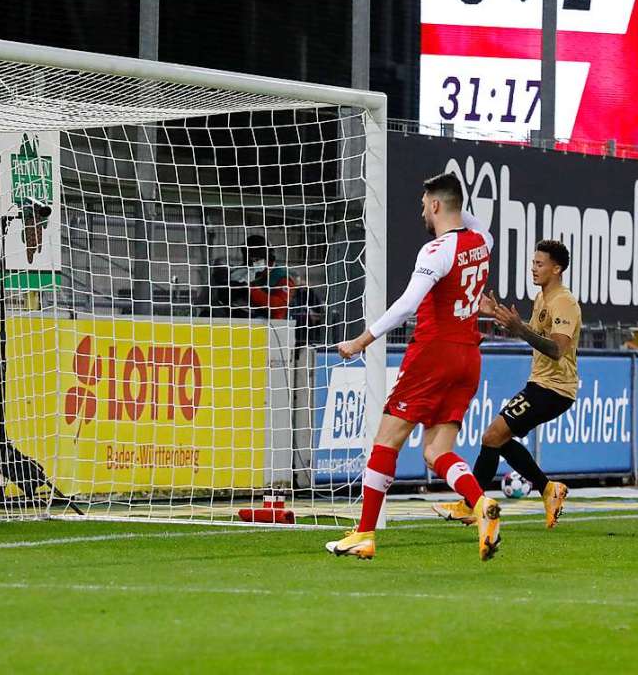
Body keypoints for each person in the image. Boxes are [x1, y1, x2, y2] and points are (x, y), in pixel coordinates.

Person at [325, 172, 502, 561]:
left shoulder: (436, 251)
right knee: (437, 451)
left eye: (425, 203)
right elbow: (471, 222)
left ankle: (365, 533)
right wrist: (453, 200)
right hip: (468, 357)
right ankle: (480, 503)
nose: (422, 209)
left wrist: (360, 341)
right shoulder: (482, 243)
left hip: (433, 354)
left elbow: (406, 306)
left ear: (436, 205)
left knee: (386, 440)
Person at [433, 240, 578, 529]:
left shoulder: (563, 301)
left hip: (554, 388)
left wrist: (519, 328)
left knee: (491, 437)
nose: (533, 268)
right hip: (543, 385)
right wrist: (504, 319)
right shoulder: (542, 299)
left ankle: (469, 505)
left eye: (540, 263)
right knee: (497, 438)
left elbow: (557, 349)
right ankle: (549, 489)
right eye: (533, 262)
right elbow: (534, 336)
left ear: (557, 268)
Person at [229, 234, 295, 319]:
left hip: (274, 325)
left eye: (256, 259)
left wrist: (250, 291)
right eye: (250, 260)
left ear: (267, 258)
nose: (252, 263)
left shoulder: (281, 278)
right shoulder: (243, 271)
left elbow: (279, 306)